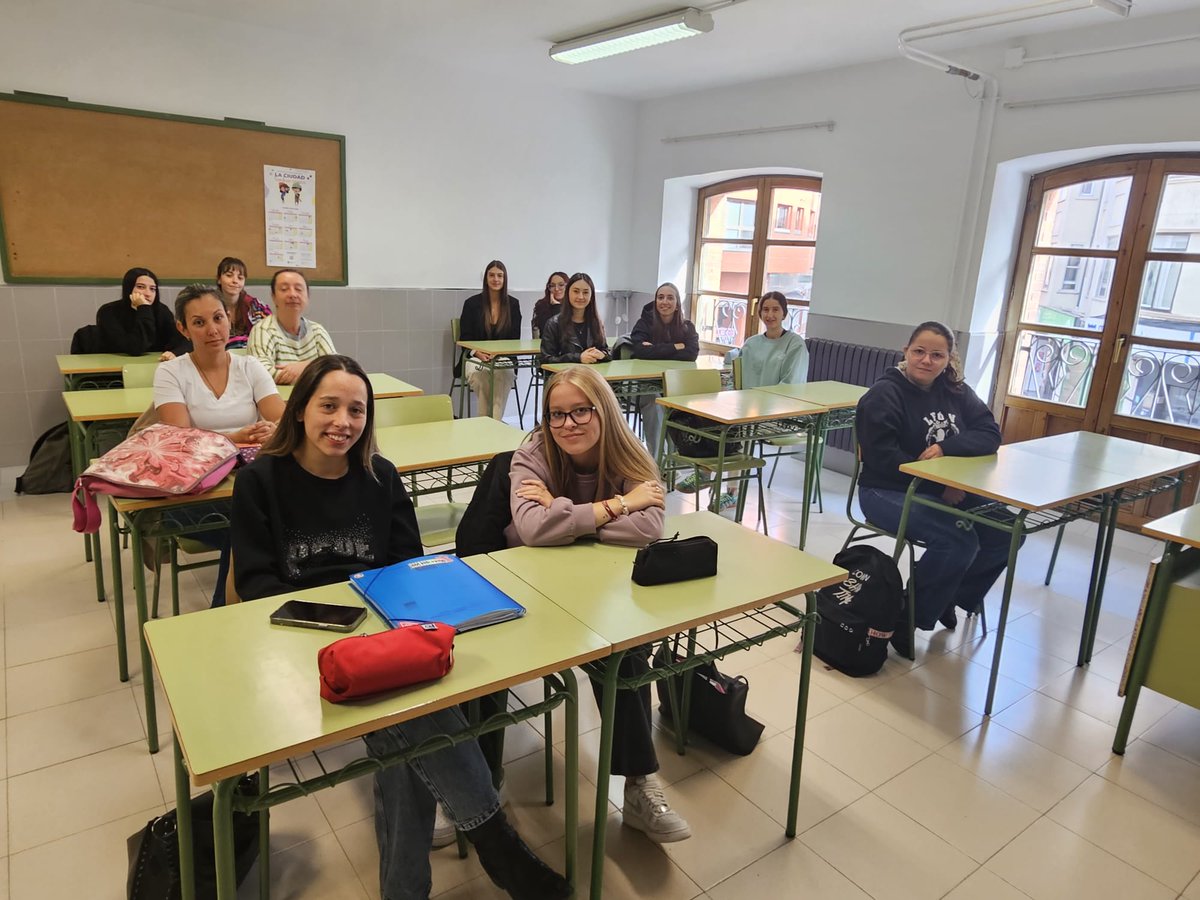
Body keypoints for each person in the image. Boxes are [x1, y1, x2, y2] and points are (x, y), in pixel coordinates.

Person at [230, 355, 570, 900]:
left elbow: (405, 565)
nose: (343, 420)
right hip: (298, 639)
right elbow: (255, 587)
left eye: (357, 410)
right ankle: (494, 839)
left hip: (380, 633)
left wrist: (386, 626)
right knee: (413, 715)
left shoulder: (379, 477)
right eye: (329, 406)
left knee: (405, 722)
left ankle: (411, 889)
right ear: (299, 410)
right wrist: (343, 625)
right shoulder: (259, 482)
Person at [505, 365, 691, 844]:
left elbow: (648, 528)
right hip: (530, 584)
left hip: (600, 587)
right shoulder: (533, 451)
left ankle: (637, 785)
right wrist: (617, 505)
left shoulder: (630, 450)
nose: (567, 424)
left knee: (626, 653)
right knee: (488, 660)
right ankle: (482, 784)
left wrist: (561, 511)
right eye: (556, 414)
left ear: (602, 410)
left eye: (580, 411)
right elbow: (530, 529)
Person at [855, 321, 1014, 656]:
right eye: (919, 352)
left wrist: (947, 450)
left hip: (944, 486)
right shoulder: (884, 395)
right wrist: (937, 485)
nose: (927, 361)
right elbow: (884, 459)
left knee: (1008, 531)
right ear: (906, 352)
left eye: (937, 355)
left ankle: (949, 597)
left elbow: (990, 434)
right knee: (958, 539)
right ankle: (906, 619)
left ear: (948, 359)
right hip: (886, 490)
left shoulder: (955, 389)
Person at [154, 284, 284, 606]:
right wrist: (235, 438)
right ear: (183, 328)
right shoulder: (170, 373)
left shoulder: (250, 366)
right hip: (193, 497)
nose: (212, 330)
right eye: (199, 323)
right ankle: (226, 615)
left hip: (247, 487)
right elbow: (178, 440)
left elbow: (282, 418)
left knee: (260, 521)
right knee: (250, 527)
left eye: (218, 318)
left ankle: (244, 612)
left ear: (229, 319)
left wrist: (273, 430)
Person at [680, 291, 808, 507]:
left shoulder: (795, 345)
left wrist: (752, 405)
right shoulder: (752, 343)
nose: (770, 314)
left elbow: (790, 388)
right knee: (707, 419)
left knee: (735, 430)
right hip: (746, 407)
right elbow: (738, 379)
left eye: (775, 309)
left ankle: (732, 491)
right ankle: (705, 473)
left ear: (784, 313)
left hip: (778, 412)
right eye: (765, 309)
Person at [630, 282, 700, 460]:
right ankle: (658, 461)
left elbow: (691, 354)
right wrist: (676, 347)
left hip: (677, 386)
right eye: (660, 297)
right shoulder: (644, 323)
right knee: (655, 403)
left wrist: (656, 349)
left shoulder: (687, 326)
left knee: (679, 405)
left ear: (677, 303)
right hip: (646, 385)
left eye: (670, 297)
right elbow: (640, 351)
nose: (664, 302)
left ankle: (677, 458)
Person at [246, 269, 336, 384]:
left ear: (307, 296)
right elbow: (260, 373)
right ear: (273, 297)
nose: (293, 294)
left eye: (298, 289)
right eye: (284, 289)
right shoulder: (263, 330)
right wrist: (317, 368)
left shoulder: (317, 331)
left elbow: (335, 367)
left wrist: (305, 366)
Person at [458, 260, 522, 419]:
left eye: (500, 276)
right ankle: (486, 421)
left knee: (504, 373)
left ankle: (492, 422)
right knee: (482, 375)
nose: (496, 279)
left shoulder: (513, 304)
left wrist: (498, 354)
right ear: (486, 278)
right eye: (492, 275)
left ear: (505, 279)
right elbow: (464, 338)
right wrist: (478, 353)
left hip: (503, 357)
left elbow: (515, 339)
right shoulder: (471, 304)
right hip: (475, 357)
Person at [95, 267, 190, 360]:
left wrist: (175, 353)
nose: (148, 293)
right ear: (128, 288)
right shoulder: (109, 311)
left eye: (152, 289)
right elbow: (135, 347)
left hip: (155, 365)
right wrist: (144, 309)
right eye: (140, 287)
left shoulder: (161, 311)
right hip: (117, 368)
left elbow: (185, 341)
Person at [538, 273, 611, 365]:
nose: (581, 297)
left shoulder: (596, 322)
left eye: (585, 292)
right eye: (576, 291)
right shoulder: (554, 324)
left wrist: (603, 355)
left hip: (590, 376)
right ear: (567, 293)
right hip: (564, 377)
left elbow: (606, 350)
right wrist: (578, 358)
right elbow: (546, 360)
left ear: (591, 296)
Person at [215, 256, 272, 350]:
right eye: (229, 275)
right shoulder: (209, 305)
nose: (235, 281)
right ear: (219, 279)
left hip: (251, 355)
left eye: (240, 278)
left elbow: (268, 334)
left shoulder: (254, 306)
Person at [530, 271, 568, 339]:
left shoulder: (573, 306)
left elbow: (566, 333)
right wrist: (556, 307)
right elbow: (546, 332)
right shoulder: (541, 305)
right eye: (552, 285)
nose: (556, 289)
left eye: (561, 285)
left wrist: (557, 306)